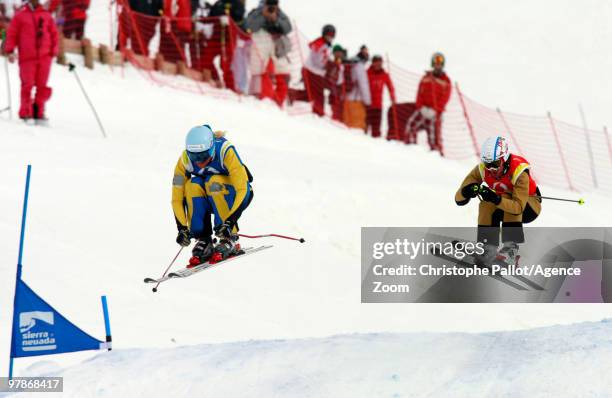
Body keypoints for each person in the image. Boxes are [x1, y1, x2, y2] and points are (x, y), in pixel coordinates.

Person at [172, 125, 254, 265]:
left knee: (213, 181)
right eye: (194, 156)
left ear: (211, 148)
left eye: (203, 155)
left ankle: (229, 238)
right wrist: (182, 229)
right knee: (192, 185)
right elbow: (177, 197)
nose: (199, 161)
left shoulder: (225, 151)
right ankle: (204, 239)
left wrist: (230, 221)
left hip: (236, 196)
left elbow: (243, 189)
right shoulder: (184, 161)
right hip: (210, 199)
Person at [454, 136, 542, 265]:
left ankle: (511, 250)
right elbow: (458, 199)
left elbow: (518, 207)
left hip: (529, 207)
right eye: (487, 164)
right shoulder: (483, 169)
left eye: (495, 164)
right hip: (503, 204)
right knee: (485, 203)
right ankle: (488, 247)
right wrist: (466, 191)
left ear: (504, 159)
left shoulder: (519, 171)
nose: (491, 169)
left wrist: (495, 198)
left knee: (504, 199)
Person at [2, 0, 58, 122]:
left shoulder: (47, 15)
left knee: (42, 86)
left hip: (45, 57)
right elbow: (12, 34)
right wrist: (10, 50)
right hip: (27, 58)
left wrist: (54, 50)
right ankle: (25, 112)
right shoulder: (20, 16)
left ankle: (38, 111)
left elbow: (54, 34)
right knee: (27, 85)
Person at [245, 0, 292, 105]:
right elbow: (249, 26)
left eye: (274, 3)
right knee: (261, 71)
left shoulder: (280, 13)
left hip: (277, 47)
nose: (272, 5)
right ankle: (265, 99)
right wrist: (263, 16)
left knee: (283, 73)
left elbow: (288, 28)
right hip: (261, 43)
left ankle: (277, 102)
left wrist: (276, 20)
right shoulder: (256, 12)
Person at [405, 52, 451, 152]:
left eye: (440, 63)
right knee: (411, 125)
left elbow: (445, 98)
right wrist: (420, 107)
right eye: (435, 63)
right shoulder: (426, 78)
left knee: (434, 138)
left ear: (442, 65)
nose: (437, 65)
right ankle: (410, 149)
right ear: (433, 64)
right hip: (423, 110)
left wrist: (436, 110)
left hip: (435, 113)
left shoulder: (446, 81)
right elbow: (419, 94)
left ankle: (435, 155)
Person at [302, 23, 335, 116]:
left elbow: (324, 58)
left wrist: (329, 63)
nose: (330, 37)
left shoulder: (327, 45)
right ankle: (318, 112)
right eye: (328, 34)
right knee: (317, 93)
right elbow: (315, 59)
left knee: (315, 93)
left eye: (332, 35)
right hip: (312, 71)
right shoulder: (319, 44)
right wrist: (326, 66)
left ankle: (318, 112)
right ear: (324, 33)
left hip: (318, 72)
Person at [343, 45, 371, 130]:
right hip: (356, 101)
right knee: (357, 129)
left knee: (346, 127)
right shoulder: (359, 66)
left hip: (346, 99)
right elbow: (363, 85)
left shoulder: (349, 63)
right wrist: (368, 102)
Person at [366, 54, 395, 138]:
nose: (378, 65)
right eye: (376, 62)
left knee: (376, 130)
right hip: (367, 105)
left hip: (378, 106)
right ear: (373, 63)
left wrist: (392, 98)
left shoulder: (384, 75)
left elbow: (390, 87)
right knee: (364, 127)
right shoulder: (367, 73)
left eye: (380, 63)